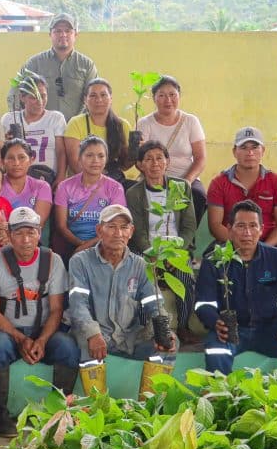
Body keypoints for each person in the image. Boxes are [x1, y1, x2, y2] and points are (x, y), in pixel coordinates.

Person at [0, 207, 80, 435]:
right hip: (8, 331)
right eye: (18, 233)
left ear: (40, 232)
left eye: (31, 233)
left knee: (68, 348)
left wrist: (43, 341)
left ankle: (59, 414)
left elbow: (56, 309)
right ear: (8, 234)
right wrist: (20, 338)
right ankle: (0, 416)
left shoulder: (53, 261)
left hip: (44, 331)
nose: (25, 240)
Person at [196, 200, 277, 378]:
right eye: (240, 226)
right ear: (229, 229)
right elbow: (204, 303)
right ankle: (220, 400)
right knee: (216, 351)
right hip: (231, 331)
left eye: (253, 226)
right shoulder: (213, 261)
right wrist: (214, 321)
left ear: (261, 229)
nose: (247, 233)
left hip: (271, 329)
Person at [68, 205, 177, 363]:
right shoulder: (80, 261)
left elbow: (154, 304)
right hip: (92, 336)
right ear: (99, 230)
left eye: (124, 227)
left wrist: (163, 331)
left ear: (131, 231)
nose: (118, 234)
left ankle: (153, 389)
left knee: (169, 345)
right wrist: (93, 333)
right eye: (111, 227)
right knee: (87, 349)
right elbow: (78, 305)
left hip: (129, 338)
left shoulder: (140, 265)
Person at [126, 141, 197, 342]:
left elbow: (189, 226)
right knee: (142, 278)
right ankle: (143, 327)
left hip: (176, 249)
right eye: (148, 159)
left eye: (159, 158)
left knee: (185, 277)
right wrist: (153, 254)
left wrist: (173, 252)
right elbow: (138, 232)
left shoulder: (180, 187)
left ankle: (183, 326)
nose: (154, 163)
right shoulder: (134, 193)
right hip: (147, 250)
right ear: (140, 164)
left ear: (167, 161)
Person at [206, 126, 277, 269]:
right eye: (243, 147)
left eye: (255, 147)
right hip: (229, 243)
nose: (250, 153)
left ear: (263, 151)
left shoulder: (276, 182)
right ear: (234, 151)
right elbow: (215, 225)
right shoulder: (218, 183)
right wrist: (241, 246)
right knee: (210, 261)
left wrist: (263, 249)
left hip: (268, 242)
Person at [136, 75, 207, 223]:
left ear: (179, 96)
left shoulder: (191, 121)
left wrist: (187, 181)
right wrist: (155, 178)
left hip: (186, 177)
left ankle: (188, 239)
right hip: (154, 176)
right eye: (161, 95)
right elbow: (139, 160)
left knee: (198, 195)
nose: (168, 100)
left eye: (172, 95)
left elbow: (200, 158)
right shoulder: (144, 123)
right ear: (154, 98)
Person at [53, 135, 127, 262]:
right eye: (89, 155)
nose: (95, 160)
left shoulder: (115, 188)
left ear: (106, 159)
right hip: (72, 244)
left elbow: (116, 226)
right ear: (80, 159)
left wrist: (88, 246)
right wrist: (81, 244)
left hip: (106, 244)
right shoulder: (65, 186)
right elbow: (61, 226)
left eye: (100, 156)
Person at [16, 12, 98, 122]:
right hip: (41, 130)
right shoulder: (34, 64)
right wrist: (23, 124)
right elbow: (16, 94)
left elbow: (93, 98)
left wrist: (78, 124)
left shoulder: (87, 65)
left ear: (76, 34)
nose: (63, 34)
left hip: (76, 131)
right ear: (50, 34)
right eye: (58, 31)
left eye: (68, 31)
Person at [1, 72, 67, 186]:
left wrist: (60, 178)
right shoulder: (10, 119)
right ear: (22, 97)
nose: (40, 101)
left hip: (48, 178)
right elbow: (1, 153)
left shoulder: (56, 118)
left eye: (43, 96)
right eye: (33, 97)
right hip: (17, 179)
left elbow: (61, 152)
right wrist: (5, 142)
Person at [63, 79, 133, 185]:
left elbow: (124, 166)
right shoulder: (76, 123)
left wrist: (134, 153)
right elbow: (75, 165)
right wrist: (101, 187)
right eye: (93, 95)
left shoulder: (123, 125)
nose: (99, 100)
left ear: (111, 99)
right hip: (83, 183)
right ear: (85, 100)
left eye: (103, 95)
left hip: (114, 183)